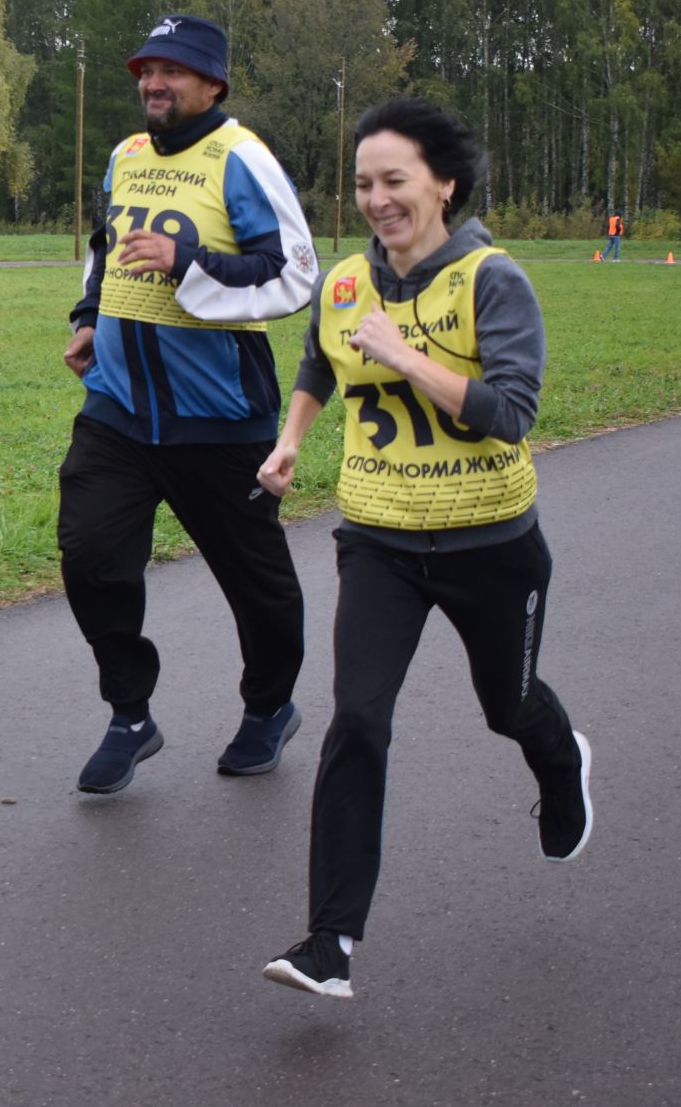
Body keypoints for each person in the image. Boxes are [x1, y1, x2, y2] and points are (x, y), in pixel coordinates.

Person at [254, 98, 592, 999]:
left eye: (394, 180)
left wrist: (408, 356)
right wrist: (293, 438)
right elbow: (322, 358)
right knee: (356, 719)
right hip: (380, 543)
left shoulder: (493, 279)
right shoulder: (347, 282)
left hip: (492, 545)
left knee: (508, 705)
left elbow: (512, 412)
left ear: (443, 182)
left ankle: (563, 766)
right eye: (363, 183)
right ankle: (331, 943)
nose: (375, 198)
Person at [59, 13, 320, 794]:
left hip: (219, 416)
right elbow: (109, 248)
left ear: (213, 83)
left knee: (256, 584)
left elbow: (294, 273)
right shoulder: (126, 155)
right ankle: (130, 714)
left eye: (171, 69)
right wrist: (85, 318)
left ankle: (269, 707)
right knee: (91, 555)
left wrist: (191, 262)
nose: (153, 82)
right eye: (145, 68)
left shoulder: (242, 157)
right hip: (119, 411)